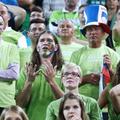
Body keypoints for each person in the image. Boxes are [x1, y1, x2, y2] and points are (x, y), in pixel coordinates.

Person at [70, 4, 120, 100]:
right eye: (89, 29)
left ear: (103, 33)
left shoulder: (113, 55)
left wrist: (110, 70)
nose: (92, 32)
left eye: (96, 29)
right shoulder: (76, 54)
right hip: (80, 104)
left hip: (106, 107)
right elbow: (68, 80)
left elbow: (118, 83)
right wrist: (85, 79)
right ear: (85, 33)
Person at [16, 30, 64, 120]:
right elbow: (20, 104)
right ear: (37, 48)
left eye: (49, 40)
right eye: (42, 40)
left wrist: (52, 81)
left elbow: (67, 103)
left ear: (56, 47)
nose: (45, 42)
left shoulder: (65, 70)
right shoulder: (27, 70)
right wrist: (29, 82)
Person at [0, 15, 20, 114]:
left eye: (0, 24)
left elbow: (13, 74)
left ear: (3, 28)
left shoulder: (12, 47)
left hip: (5, 102)